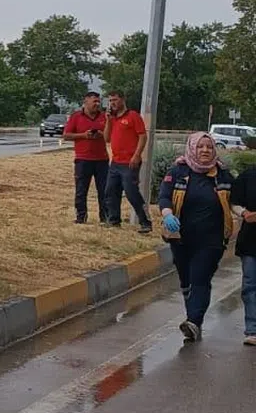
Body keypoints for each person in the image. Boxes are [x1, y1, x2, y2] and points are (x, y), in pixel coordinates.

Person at [157, 131, 233, 341]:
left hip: (212, 240)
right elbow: (164, 195)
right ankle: (193, 313)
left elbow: (236, 200)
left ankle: (193, 321)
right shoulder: (178, 171)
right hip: (180, 238)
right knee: (186, 280)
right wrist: (167, 213)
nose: (205, 151)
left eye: (209, 147)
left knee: (200, 278)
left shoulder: (222, 174)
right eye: (201, 147)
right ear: (192, 148)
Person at [103, 91, 153, 233]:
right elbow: (106, 139)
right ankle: (114, 220)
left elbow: (142, 136)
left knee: (131, 193)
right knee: (111, 191)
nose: (113, 103)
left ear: (123, 100)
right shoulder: (112, 119)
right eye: (110, 100)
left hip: (129, 162)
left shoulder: (133, 116)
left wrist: (137, 155)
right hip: (116, 162)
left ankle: (145, 222)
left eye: (115, 100)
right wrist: (107, 120)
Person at [63, 91, 111, 224]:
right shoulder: (76, 116)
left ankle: (105, 217)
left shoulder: (104, 117)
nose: (97, 104)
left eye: (98, 101)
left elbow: (110, 136)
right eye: (94, 101)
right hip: (83, 159)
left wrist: (101, 134)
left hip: (102, 159)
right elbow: (66, 135)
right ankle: (81, 216)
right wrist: (84, 135)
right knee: (81, 190)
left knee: (104, 190)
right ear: (86, 102)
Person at [230, 161, 256, 347]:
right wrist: (244, 213)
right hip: (251, 241)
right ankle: (253, 329)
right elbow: (234, 201)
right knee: (250, 285)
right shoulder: (248, 176)